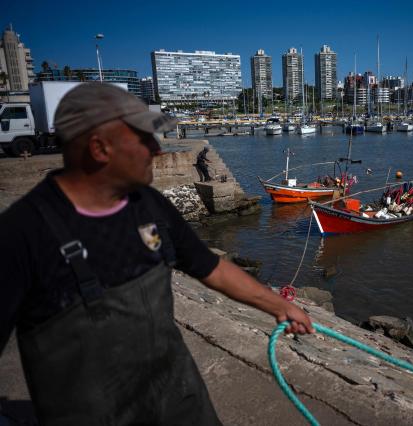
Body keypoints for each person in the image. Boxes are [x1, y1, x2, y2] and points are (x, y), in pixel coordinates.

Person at [0, 83, 313, 425]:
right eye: (145, 139)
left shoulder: (149, 205)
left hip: (179, 398)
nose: (158, 151)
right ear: (99, 148)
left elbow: (212, 268)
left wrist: (280, 306)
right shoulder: (20, 235)